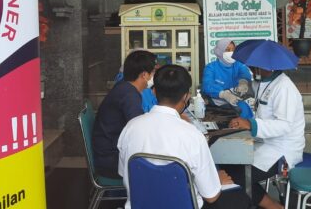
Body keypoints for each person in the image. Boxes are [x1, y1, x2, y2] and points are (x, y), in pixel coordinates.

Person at [117, 65, 251, 209]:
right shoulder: (192, 135)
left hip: (142, 205)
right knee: (241, 199)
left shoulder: (130, 127)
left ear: (154, 92)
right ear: (186, 97)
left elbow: (124, 173)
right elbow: (211, 196)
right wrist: (217, 180)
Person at [228, 67, 305, 209]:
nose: (251, 69)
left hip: (283, 151)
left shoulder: (284, 88)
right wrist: (235, 90)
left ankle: (274, 207)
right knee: (229, 165)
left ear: (266, 66)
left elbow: (284, 126)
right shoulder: (265, 81)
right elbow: (251, 92)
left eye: (254, 66)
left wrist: (251, 124)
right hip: (266, 143)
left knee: (237, 176)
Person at [93, 50, 157, 178]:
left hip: (108, 151)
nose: (153, 76)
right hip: (111, 159)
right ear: (144, 74)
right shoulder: (129, 95)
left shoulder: (124, 87)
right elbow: (139, 129)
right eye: (153, 72)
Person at [202, 38, 252, 106]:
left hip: (236, 101)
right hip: (215, 104)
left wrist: (243, 82)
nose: (231, 53)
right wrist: (224, 94)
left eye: (233, 50)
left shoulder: (239, 65)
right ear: (219, 51)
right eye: (227, 50)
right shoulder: (211, 67)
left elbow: (245, 74)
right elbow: (207, 85)